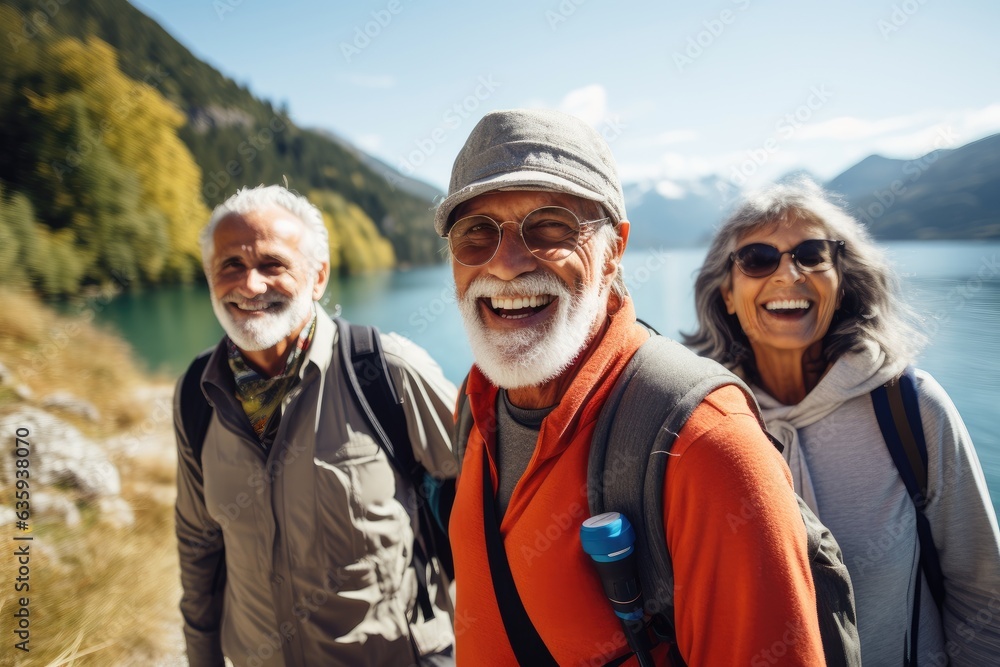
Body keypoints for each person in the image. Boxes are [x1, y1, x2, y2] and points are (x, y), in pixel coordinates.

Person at [435, 108, 826, 665]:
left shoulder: (706, 442)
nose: (506, 264)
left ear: (614, 249)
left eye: (550, 225)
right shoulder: (475, 404)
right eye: (476, 233)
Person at [685, 178, 1000, 665]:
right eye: (757, 258)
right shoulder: (698, 424)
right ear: (726, 294)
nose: (788, 274)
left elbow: (984, 595)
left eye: (812, 254)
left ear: (843, 279)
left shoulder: (911, 408)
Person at [174, 185, 458, 667]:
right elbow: (198, 545)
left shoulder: (388, 372)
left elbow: (491, 506)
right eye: (231, 266)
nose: (251, 285)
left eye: (272, 264)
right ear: (209, 277)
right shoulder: (196, 394)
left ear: (318, 276)